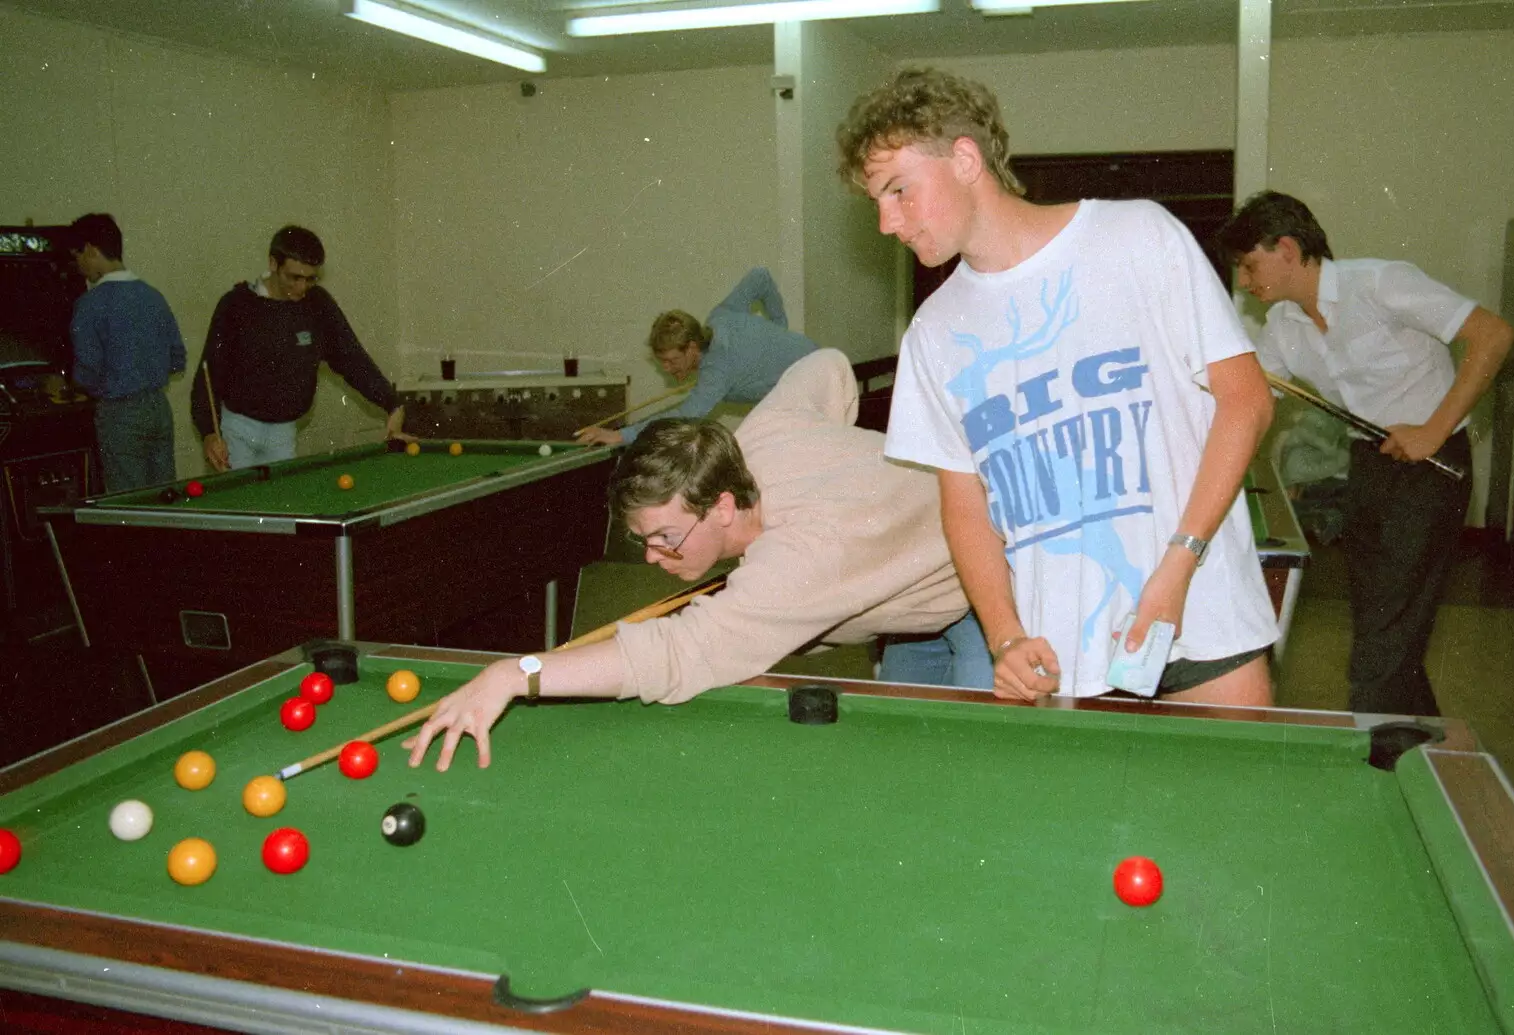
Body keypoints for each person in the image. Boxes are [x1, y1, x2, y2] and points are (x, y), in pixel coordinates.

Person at [836, 68, 1280, 706]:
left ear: (965, 159)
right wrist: (1004, 638)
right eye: (876, 201)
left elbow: (1247, 402)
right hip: (1061, 656)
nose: (886, 222)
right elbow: (965, 505)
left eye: (898, 189)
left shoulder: (1137, 236)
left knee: (1241, 805)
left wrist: (1179, 565)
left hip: (1201, 618)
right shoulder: (932, 334)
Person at [407, 349, 988, 771]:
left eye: (666, 538)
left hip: (985, 585)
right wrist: (844, 464)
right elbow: (829, 366)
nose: (655, 558)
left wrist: (516, 673)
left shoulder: (798, 558)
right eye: (643, 542)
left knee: (970, 766)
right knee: (912, 765)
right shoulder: (755, 436)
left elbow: (676, 653)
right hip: (909, 614)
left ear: (725, 506)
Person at [1217, 191, 1514, 716]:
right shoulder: (1284, 327)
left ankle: (1378, 750)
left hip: (1434, 464)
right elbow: (1247, 395)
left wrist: (1433, 428)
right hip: (1369, 465)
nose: (1244, 281)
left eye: (1248, 265)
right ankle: (1419, 742)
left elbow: (1493, 335)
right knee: (1384, 618)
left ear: (1286, 248)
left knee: (1387, 628)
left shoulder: (1379, 283)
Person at [190, 225, 408, 471]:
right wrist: (209, 432)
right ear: (273, 264)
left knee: (282, 508)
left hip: (284, 432)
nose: (302, 287)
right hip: (237, 432)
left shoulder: (317, 305)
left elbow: (352, 358)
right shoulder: (236, 305)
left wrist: (392, 402)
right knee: (245, 508)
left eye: (310, 278)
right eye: (294, 277)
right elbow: (208, 373)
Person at [575, 267, 817, 447]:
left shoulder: (717, 371)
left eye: (671, 361)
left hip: (816, 385)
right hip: (821, 363)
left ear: (691, 348)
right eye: (662, 362)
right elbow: (760, 277)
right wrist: (779, 326)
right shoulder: (720, 316)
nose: (667, 369)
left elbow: (683, 417)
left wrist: (618, 436)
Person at [67, 214, 187, 493]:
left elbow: (88, 371)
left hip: (120, 414)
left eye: (78, 257)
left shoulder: (89, 304)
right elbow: (178, 358)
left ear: (91, 250)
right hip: (159, 408)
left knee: (129, 503)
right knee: (164, 497)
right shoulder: (153, 295)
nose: (80, 267)